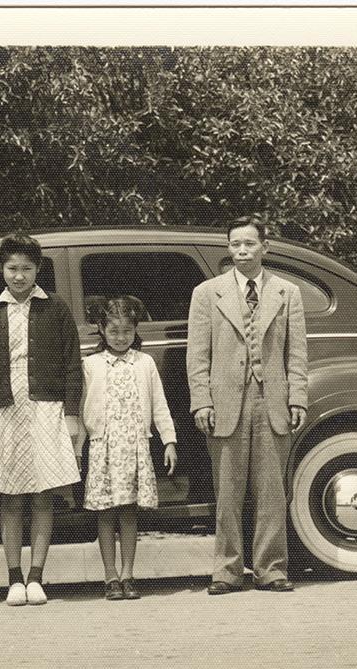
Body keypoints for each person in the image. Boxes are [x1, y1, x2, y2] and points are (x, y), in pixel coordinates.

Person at [186, 215, 308, 594]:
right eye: (235, 244)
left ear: (265, 247)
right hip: (225, 402)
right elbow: (198, 354)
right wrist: (201, 400)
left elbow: (297, 353)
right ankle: (227, 570)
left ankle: (271, 569)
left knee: (272, 491)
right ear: (228, 248)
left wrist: (297, 397)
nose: (242, 251)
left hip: (271, 399)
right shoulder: (207, 293)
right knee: (228, 491)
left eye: (250, 244)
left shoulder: (287, 292)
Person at [0, 232, 84, 606]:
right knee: (10, 499)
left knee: (41, 496)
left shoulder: (56, 307)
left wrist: (71, 415)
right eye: (12, 268)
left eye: (26, 268)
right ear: (2, 270)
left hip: (45, 411)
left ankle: (37, 575)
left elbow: (72, 366)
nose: (19, 276)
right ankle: (13, 578)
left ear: (38, 269)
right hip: (7, 412)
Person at [81, 296, 177, 600]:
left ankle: (128, 574)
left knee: (129, 513)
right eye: (113, 331)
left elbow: (159, 404)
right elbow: (84, 409)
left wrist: (169, 440)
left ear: (135, 330)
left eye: (126, 331)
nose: (120, 337)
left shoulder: (144, 362)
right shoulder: (91, 364)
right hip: (103, 448)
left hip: (135, 446)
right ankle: (110, 576)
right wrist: (77, 450)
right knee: (105, 514)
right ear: (102, 330)